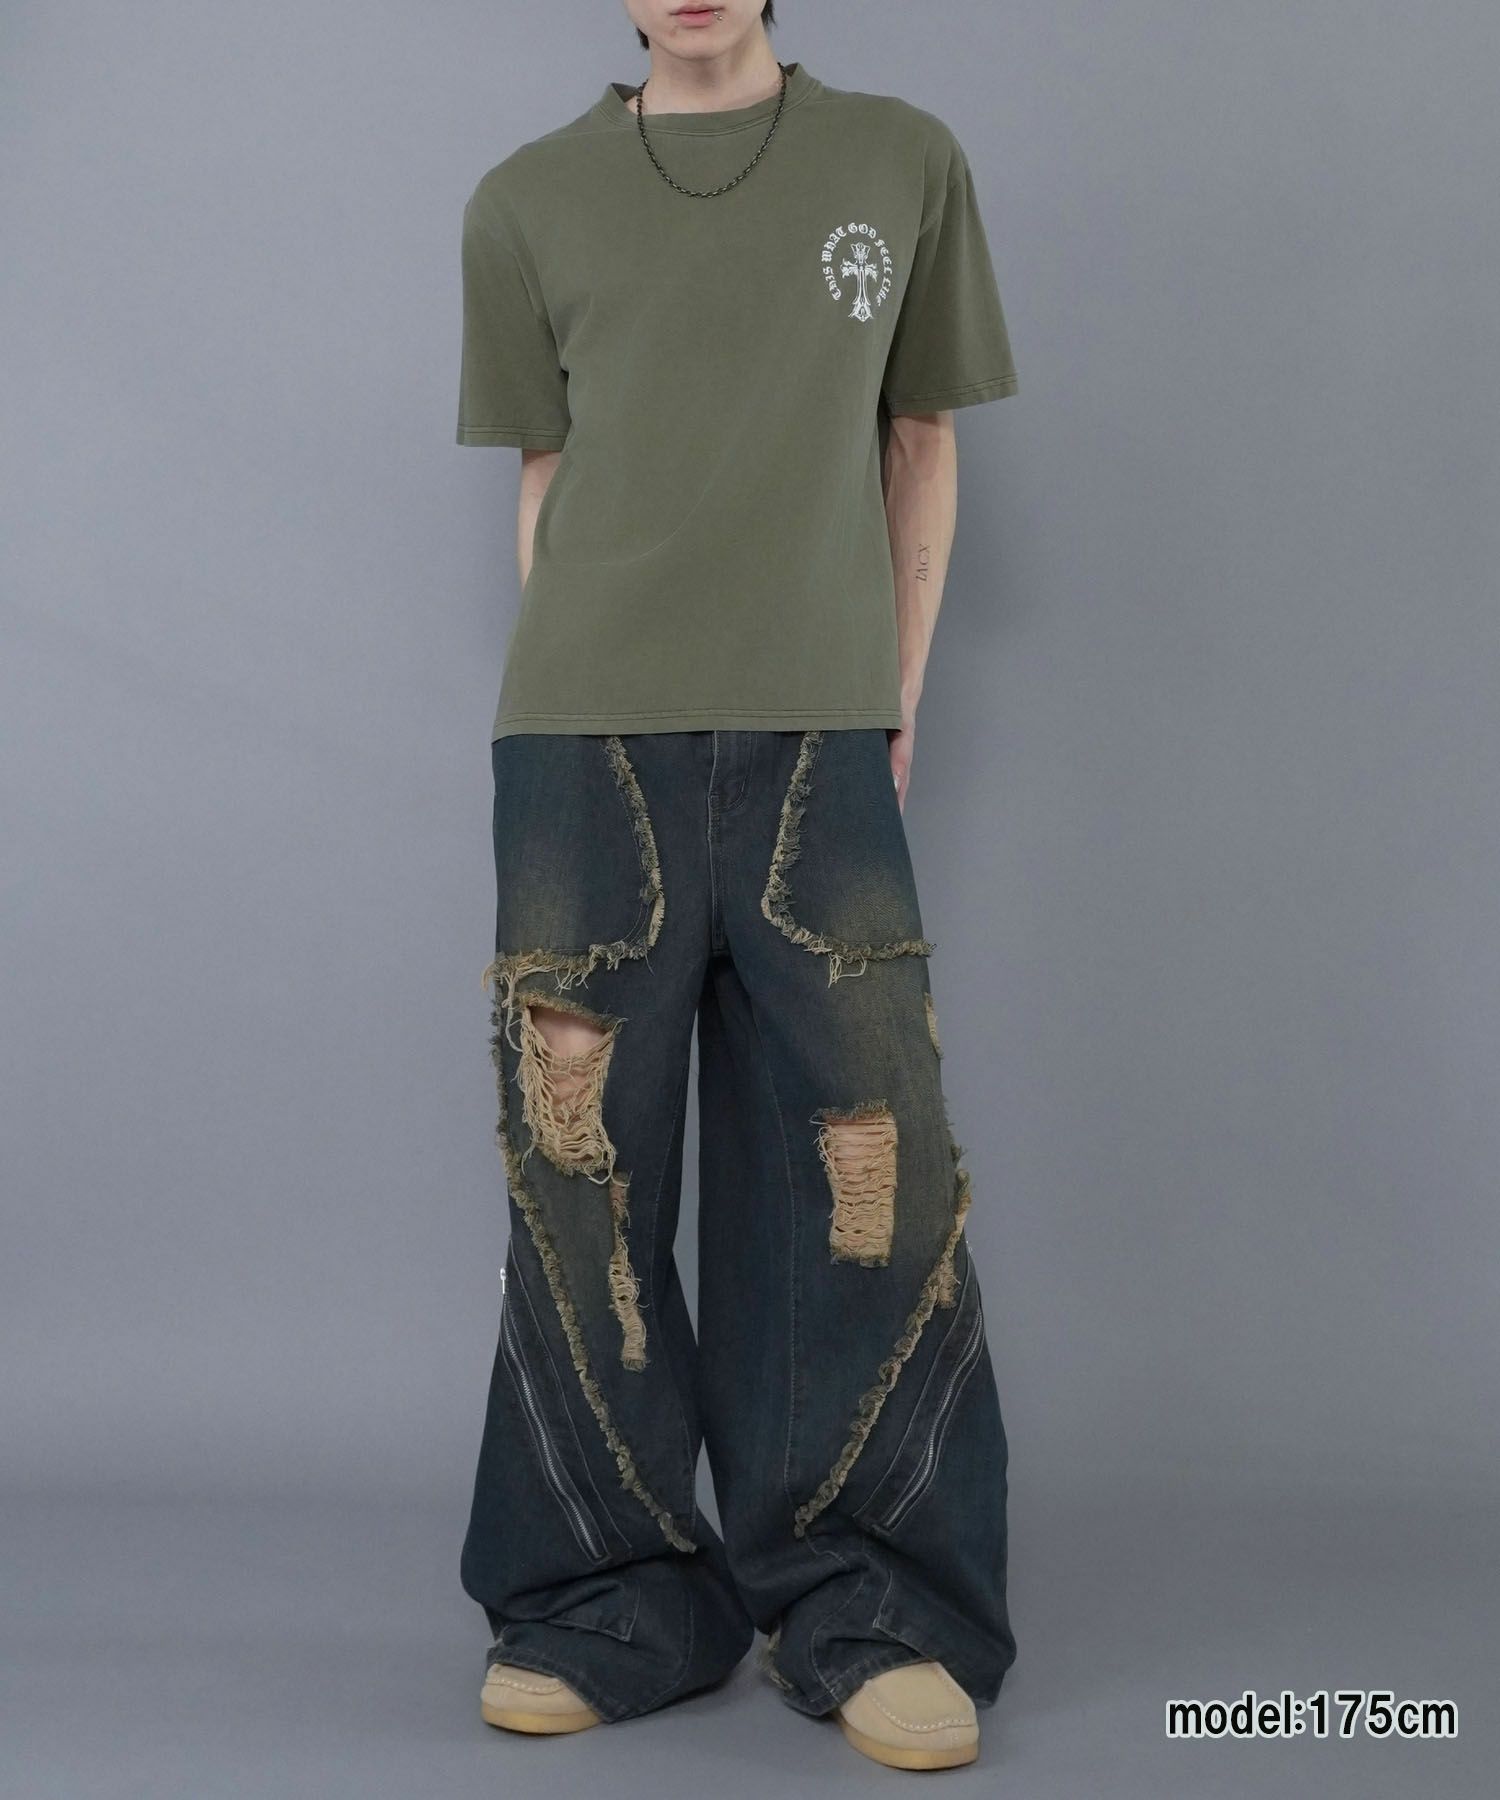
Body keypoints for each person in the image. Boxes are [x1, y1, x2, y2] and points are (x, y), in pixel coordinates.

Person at [454, 0, 1020, 1771]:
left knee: (864, 1171)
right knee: (581, 1177)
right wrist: (581, 690)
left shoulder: (901, 161)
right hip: (582, 741)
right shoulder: (525, 198)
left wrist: (891, 693)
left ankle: (873, 1605)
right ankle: (606, 1599)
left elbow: (920, 441)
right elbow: (550, 479)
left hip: (819, 737)